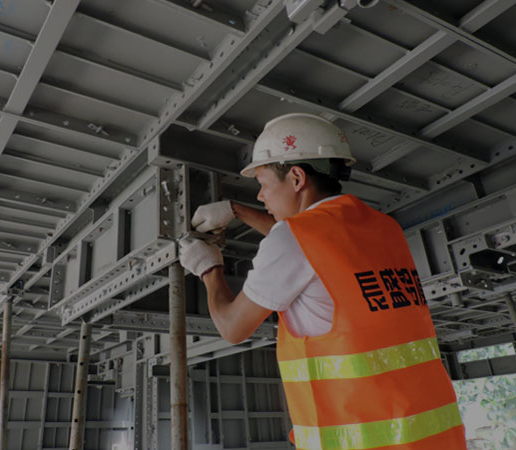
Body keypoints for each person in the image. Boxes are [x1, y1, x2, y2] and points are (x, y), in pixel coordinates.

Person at [179, 113, 467, 450]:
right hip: (435, 438)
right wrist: (236, 211)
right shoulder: (383, 227)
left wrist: (208, 268)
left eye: (263, 183)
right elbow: (308, 248)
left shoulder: (295, 239)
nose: (260, 196)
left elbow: (232, 328)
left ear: (297, 178)